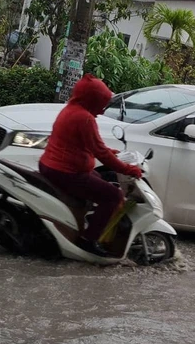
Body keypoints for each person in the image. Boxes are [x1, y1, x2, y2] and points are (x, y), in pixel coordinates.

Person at [38, 73, 142, 256]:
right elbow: (100, 152)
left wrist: (112, 152)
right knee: (113, 196)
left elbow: (90, 145)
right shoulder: (84, 118)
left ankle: (82, 222)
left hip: (52, 166)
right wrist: (128, 169)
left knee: (99, 179)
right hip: (65, 172)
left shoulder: (72, 109)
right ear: (93, 100)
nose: (104, 106)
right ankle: (88, 240)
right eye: (102, 101)